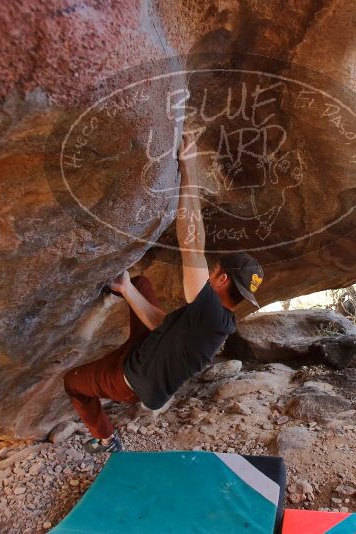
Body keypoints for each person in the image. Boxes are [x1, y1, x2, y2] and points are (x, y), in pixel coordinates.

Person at [63, 132, 265, 453]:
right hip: (148, 351)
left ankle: (105, 437)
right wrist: (126, 288)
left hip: (131, 380)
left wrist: (190, 169)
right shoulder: (215, 319)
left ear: (223, 279)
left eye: (213, 270)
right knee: (140, 285)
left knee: (73, 383)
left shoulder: (209, 312)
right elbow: (162, 325)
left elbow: (191, 241)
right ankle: (123, 292)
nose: (208, 270)